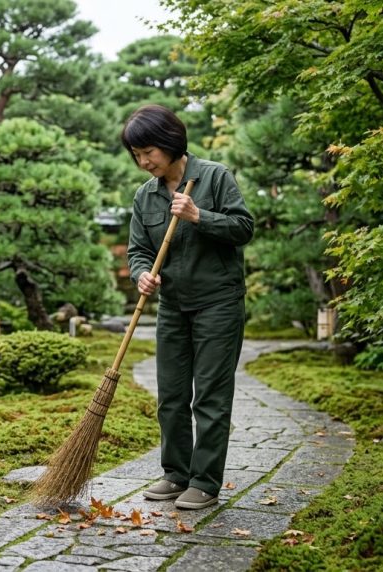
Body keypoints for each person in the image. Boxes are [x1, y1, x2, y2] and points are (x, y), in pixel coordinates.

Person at [122, 104, 253, 510]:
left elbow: (243, 228)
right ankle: (176, 473)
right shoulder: (145, 197)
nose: (144, 162)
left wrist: (199, 215)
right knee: (172, 395)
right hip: (173, 307)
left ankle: (205, 481)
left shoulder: (213, 177)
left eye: (149, 153)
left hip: (218, 302)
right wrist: (141, 274)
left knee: (210, 396)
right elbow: (138, 250)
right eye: (137, 156)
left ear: (169, 142)